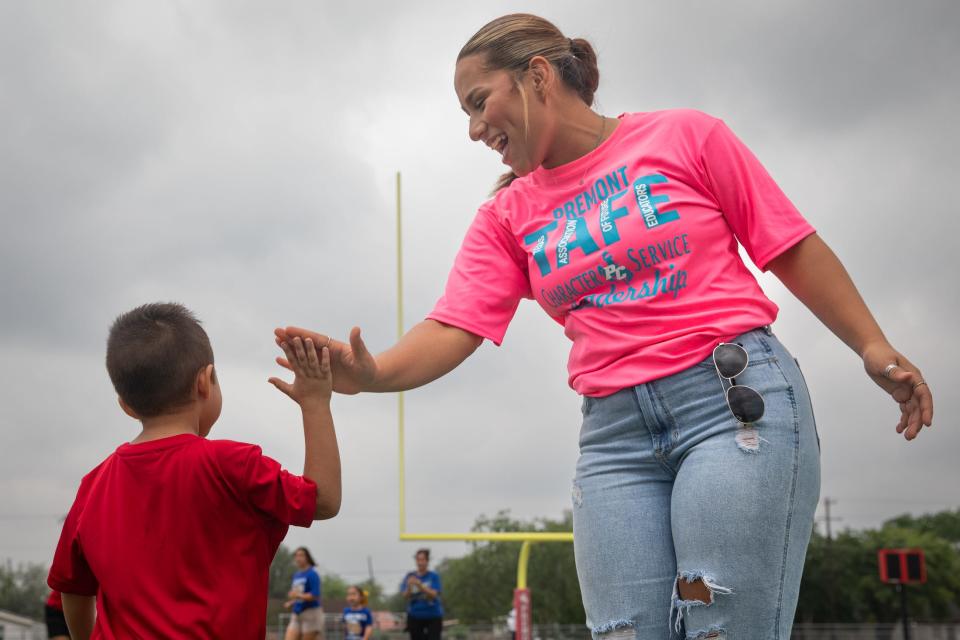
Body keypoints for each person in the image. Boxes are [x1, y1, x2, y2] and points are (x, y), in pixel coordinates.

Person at [276, 13, 934, 640]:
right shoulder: (506, 213)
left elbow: (788, 245)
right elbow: (455, 324)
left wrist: (871, 344)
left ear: (537, 76)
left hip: (732, 408)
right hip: (615, 441)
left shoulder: (684, 136)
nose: (475, 128)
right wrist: (371, 374)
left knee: (719, 623)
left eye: (479, 101)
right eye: (466, 113)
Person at [48, 302, 342, 639]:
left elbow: (73, 589)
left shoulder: (93, 485)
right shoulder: (234, 465)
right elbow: (323, 500)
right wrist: (316, 403)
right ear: (206, 381)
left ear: (126, 405)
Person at [400, 549, 443, 640]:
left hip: (433, 615)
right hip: (415, 615)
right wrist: (409, 586)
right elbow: (405, 596)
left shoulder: (433, 576)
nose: (420, 562)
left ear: (427, 561)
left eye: (422, 560)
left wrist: (420, 585)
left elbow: (434, 594)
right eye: (418, 560)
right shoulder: (410, 576)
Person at [285, 546, 324, 640]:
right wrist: (291, 602)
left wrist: (297, 595)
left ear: (307, 557)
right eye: (296, 556)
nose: (298, 558)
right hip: (297, 612)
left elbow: (315, 595)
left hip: (311, 613)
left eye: (301, 555)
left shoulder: (312, 574)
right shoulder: (296, 575)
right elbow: (299, 596)